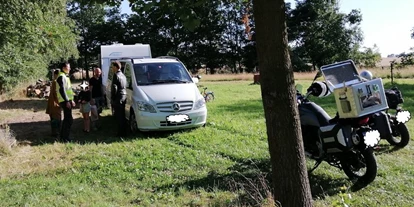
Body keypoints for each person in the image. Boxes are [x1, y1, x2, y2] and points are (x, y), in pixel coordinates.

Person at [56, 62, 76, 142]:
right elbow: (62, 90)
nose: (70, 68)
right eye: (68, 67)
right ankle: (64, 138)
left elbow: (69, 90)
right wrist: (67, 101)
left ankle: (64, 137)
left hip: (67, 100)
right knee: (68, 120)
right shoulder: (61, 77)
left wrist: (72, 100)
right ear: (64, 68)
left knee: (68, 119)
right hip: (64, 101)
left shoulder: (65, 76)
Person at [111, 61, 127, 137]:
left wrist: (113, 97)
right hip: (124, 95)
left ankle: (120, 133)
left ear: (115, 67)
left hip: (118, 96)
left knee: (118, 116)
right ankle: (124, 131)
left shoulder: (116, 75)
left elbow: (114, 87)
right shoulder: (123, 75)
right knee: (122, 115)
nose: (112, 68)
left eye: (112, 67)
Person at [46, 69, 61, 137]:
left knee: (53, 117)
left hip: (53, 102)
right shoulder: (56, 82)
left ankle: (55, 132)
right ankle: (56, 132)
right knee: (56, 118)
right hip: (55, 103)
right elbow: (56, 93)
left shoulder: (54, 81)